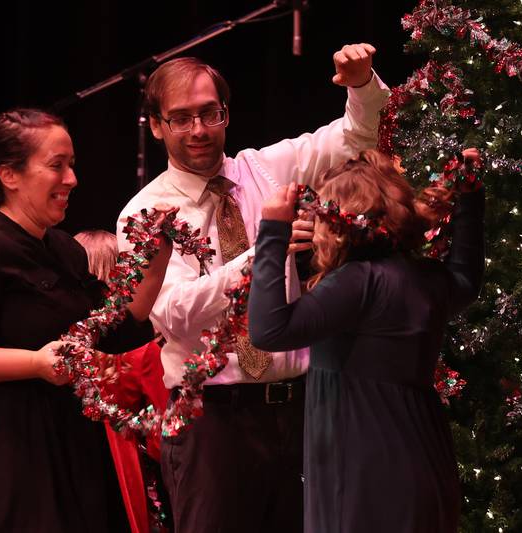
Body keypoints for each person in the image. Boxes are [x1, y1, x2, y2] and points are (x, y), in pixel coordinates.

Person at [116, 44, 390, 532]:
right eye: (181, 119)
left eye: (209, 113)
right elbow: (173, 313)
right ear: (156, 126)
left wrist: (362, 82)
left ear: (226, 113)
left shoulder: (265, 169)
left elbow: (358, 133)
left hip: (301, 408)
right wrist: (266, 248)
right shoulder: (145, 213)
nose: (199, 130)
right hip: (213, 422)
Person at [0, 108, 171, 533]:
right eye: (57, 166)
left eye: (71, 164)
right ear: (9, 176)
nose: (71, 178)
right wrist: (34, 363)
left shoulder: (62, 250)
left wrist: (157, 258)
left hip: (69, 445)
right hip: (6, 457)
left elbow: (116, 328)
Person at [248, 149, 484, 532]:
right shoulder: (425, 276)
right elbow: (466, 281)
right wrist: (471, 199)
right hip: (424, 462)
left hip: (365, 472)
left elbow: (268, 330)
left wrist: (272, 232)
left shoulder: (357, 283)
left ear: (338, 221)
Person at [73, 229, 172, 533]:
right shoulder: (141, 348)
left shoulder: (62, 337)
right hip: (122, 468)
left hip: (67, 459)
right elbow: (162, 435)